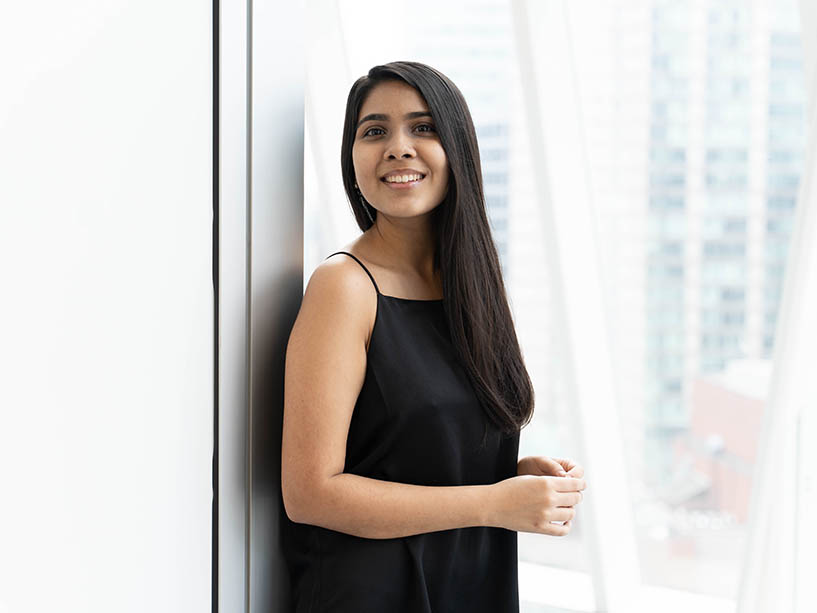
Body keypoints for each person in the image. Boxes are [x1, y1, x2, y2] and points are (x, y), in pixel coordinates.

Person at [280, 60, 587, 612]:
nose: (398, 147)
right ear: (353, 161)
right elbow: (310, 493)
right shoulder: (343, 288)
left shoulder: (471, 288)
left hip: (465, 587)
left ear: (459, 152)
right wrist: (492, 504)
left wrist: (508, 477)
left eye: (423, 128)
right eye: (375, 131)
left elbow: (409, 456)